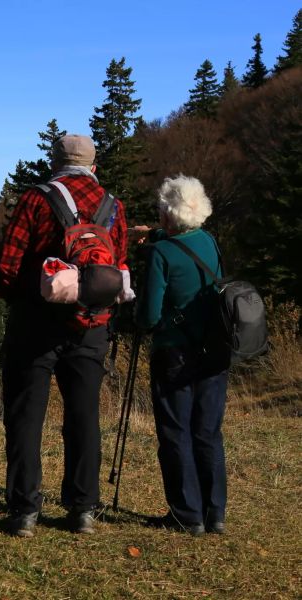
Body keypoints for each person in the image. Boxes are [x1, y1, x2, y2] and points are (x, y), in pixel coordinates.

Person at [0, 134, 128, 537]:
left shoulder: (36, 200)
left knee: (25, 417)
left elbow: (8, 267)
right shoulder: (113, 207)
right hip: (91, 325)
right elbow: (118, 267)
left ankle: (24, 512)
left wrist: (26, 300)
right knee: (84, 416)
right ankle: (82, 508)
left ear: (55, 163)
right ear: (93, 165)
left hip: (35, 327)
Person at [135, 175, 229, 536]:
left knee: (175, 431)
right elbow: (181, 245)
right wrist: (153, 233)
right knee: (207, 430)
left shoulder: (161, 254)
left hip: (174, 354)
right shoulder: (208, 241)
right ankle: (214, 512)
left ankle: (186, 513)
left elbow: (149, 316)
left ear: (170, 215)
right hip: (215, 351)